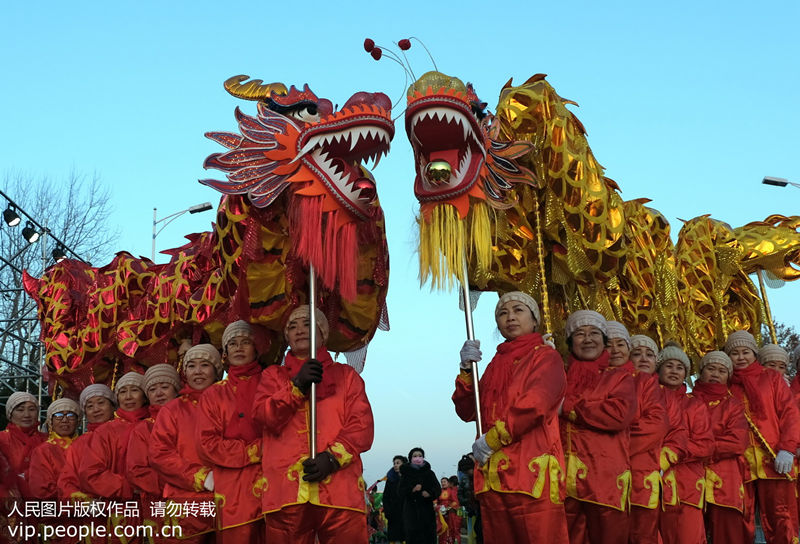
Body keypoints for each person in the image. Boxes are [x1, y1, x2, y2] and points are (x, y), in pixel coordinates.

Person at [453, 291, 569, 543]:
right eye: (502, 313)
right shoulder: (495, 363)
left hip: (531, 475)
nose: (510, 317)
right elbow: (468, 411)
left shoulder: (545, 357)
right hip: (492, 477)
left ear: (535, 320)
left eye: (518, 310)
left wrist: (492, 440)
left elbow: (535, 405)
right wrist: (466, 371)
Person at [255, 305, 374, 543]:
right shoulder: (272, 376)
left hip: (340, 490)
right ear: (286, 336)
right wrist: (296, 387)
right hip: (285, 492)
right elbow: (264, 417)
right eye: (292, 326)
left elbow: (362, 426)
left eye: (307, 324)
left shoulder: (347, 376)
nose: (299, 330)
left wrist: (332, 458)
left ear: (323, 334)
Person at [559, 310, 636, 544]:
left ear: (604, 342)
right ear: (571, 343)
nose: (588, 339)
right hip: (562, 480)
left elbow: (617, 415)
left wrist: (570, 408)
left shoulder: (619, 378)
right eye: (580, 334)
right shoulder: (559, 376)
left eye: (594, 334)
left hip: (605, 480)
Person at [726, 330, 800, 544]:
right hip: (741, 464)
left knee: (782, 519)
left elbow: (790, 414)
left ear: (754, 354)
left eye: (745, 352)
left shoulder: (772, 379)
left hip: (775, 459)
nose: (741, 357)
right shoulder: (727, 384)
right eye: (735, 353)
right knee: (741, 519)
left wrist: (787, 448)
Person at [196, 320, 265, 543]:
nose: (239, 348)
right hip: (233, 490)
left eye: (245, 342)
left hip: (274, 483)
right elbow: (208, 445)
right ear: (225, 353)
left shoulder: (273, 382)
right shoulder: (214, 395)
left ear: (257, 348)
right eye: (232, 344)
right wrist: (255, 451)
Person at [150, 344, 222, 543]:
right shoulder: (172, 410)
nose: (197, 371)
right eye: (191, 366)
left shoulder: (229, 402)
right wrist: (201, 477)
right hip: (185, 502)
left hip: (228, 498)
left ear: (216, 370)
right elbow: (160, 454)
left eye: (205, 365)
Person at [606, 324, 667, 544]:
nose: (642, 359)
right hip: (603, 475)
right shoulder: (602, 377)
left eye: (649, 354)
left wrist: (613, 447)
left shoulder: (648, 385)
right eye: (637, 353)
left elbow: (656, 425)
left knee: (643, 535)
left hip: (641, 473)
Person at [656, 343, 713, 544]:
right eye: (669, 365)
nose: (674, 371)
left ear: (686, 373)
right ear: (659, 368)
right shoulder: (648, 397)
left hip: (686, 486)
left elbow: (705, 445)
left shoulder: (694, 404)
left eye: (680, 367)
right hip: (651, 483)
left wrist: (672, 453)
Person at [691, 351, 748, 544]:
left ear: (728, 377)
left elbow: (737, 442)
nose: (715, 374)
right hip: (688, 480)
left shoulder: (733, 405)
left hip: (725, 481)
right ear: (701, 371)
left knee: (728, 537)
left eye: (722, 370)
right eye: (711, 368)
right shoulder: (686, 400)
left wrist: (701, 448)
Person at [58, 384, 116, 500]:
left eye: (101, 403)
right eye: (90, 406)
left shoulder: (126, 432)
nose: (96, 409)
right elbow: (67, 481)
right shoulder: (78, 444)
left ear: (113, 406)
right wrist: (85, 502)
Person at [27, 398, 81, 499]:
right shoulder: (43, 451)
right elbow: (40, 488)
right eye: (58, 416)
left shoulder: (88, 445)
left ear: (78, 421)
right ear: (50, 422)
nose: (65, 420)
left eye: (70, 415)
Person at [0, 391, 46, 497]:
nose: (26, 415)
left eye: (32, 409)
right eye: (20, 410)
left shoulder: (48, 440)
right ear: (10, 415)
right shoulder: (2, 439)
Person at [399, 447, 441, 544]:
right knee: (412, 538)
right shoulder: (406, 474)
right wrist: (412, 490)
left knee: (428, 538)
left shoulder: (429, 473)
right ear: (410, 459)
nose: (417, 458)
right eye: (415, 456)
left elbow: (437, 489)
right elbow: (400, 492)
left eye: (420, 456)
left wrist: (430, 493)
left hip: (427, 513)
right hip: (411, 513)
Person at [383, 455, 407, 544]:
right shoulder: (390, 480)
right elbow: (385, 497)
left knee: (406, 536)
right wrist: (387, 511)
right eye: (394, 463)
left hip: (406, 513)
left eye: (398, 463)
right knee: (394, 537)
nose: (395, 465)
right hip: (393, 514)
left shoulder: (409, 478)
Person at [437, 476, 461, 544]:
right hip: (441, 514)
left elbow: (455, 502)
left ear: (448, 483)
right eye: (441, 482)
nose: (443, 483)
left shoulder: (452, 490)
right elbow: (435, 501)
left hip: (451, 514)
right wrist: (437, 506)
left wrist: (447, 508)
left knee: (452, 529)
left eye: (444, 482)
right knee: (442, 530)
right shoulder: (439, 491)